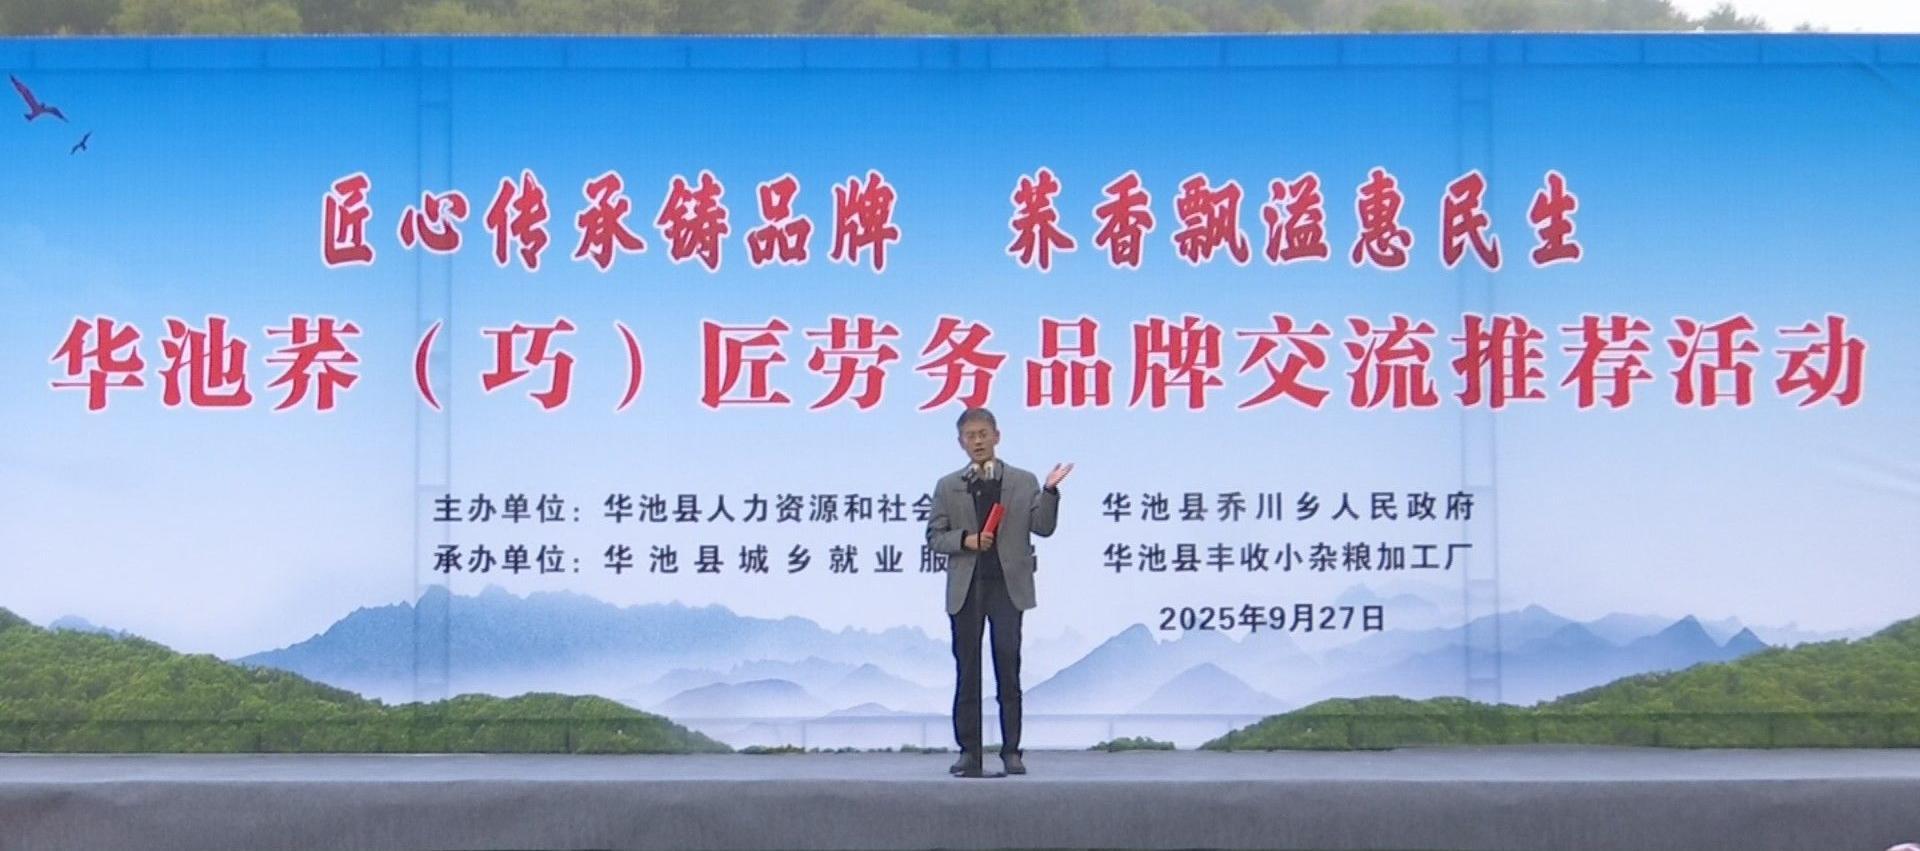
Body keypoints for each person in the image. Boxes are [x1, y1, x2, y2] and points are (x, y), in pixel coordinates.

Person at [924, 407, 1071, 777]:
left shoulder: (1022, 481)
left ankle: (1011, 751)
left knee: (1008, 668)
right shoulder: (949, 485)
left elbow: (1043, 527)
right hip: (966, 589)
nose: (977, 441)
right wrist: (966, 540)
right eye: (970, 436)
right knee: (968, 671)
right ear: (960, 442)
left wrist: (1050, 491)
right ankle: (969, 751)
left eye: (983, 434)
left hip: (1007, 588)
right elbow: (934, 537)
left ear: (996, 436)